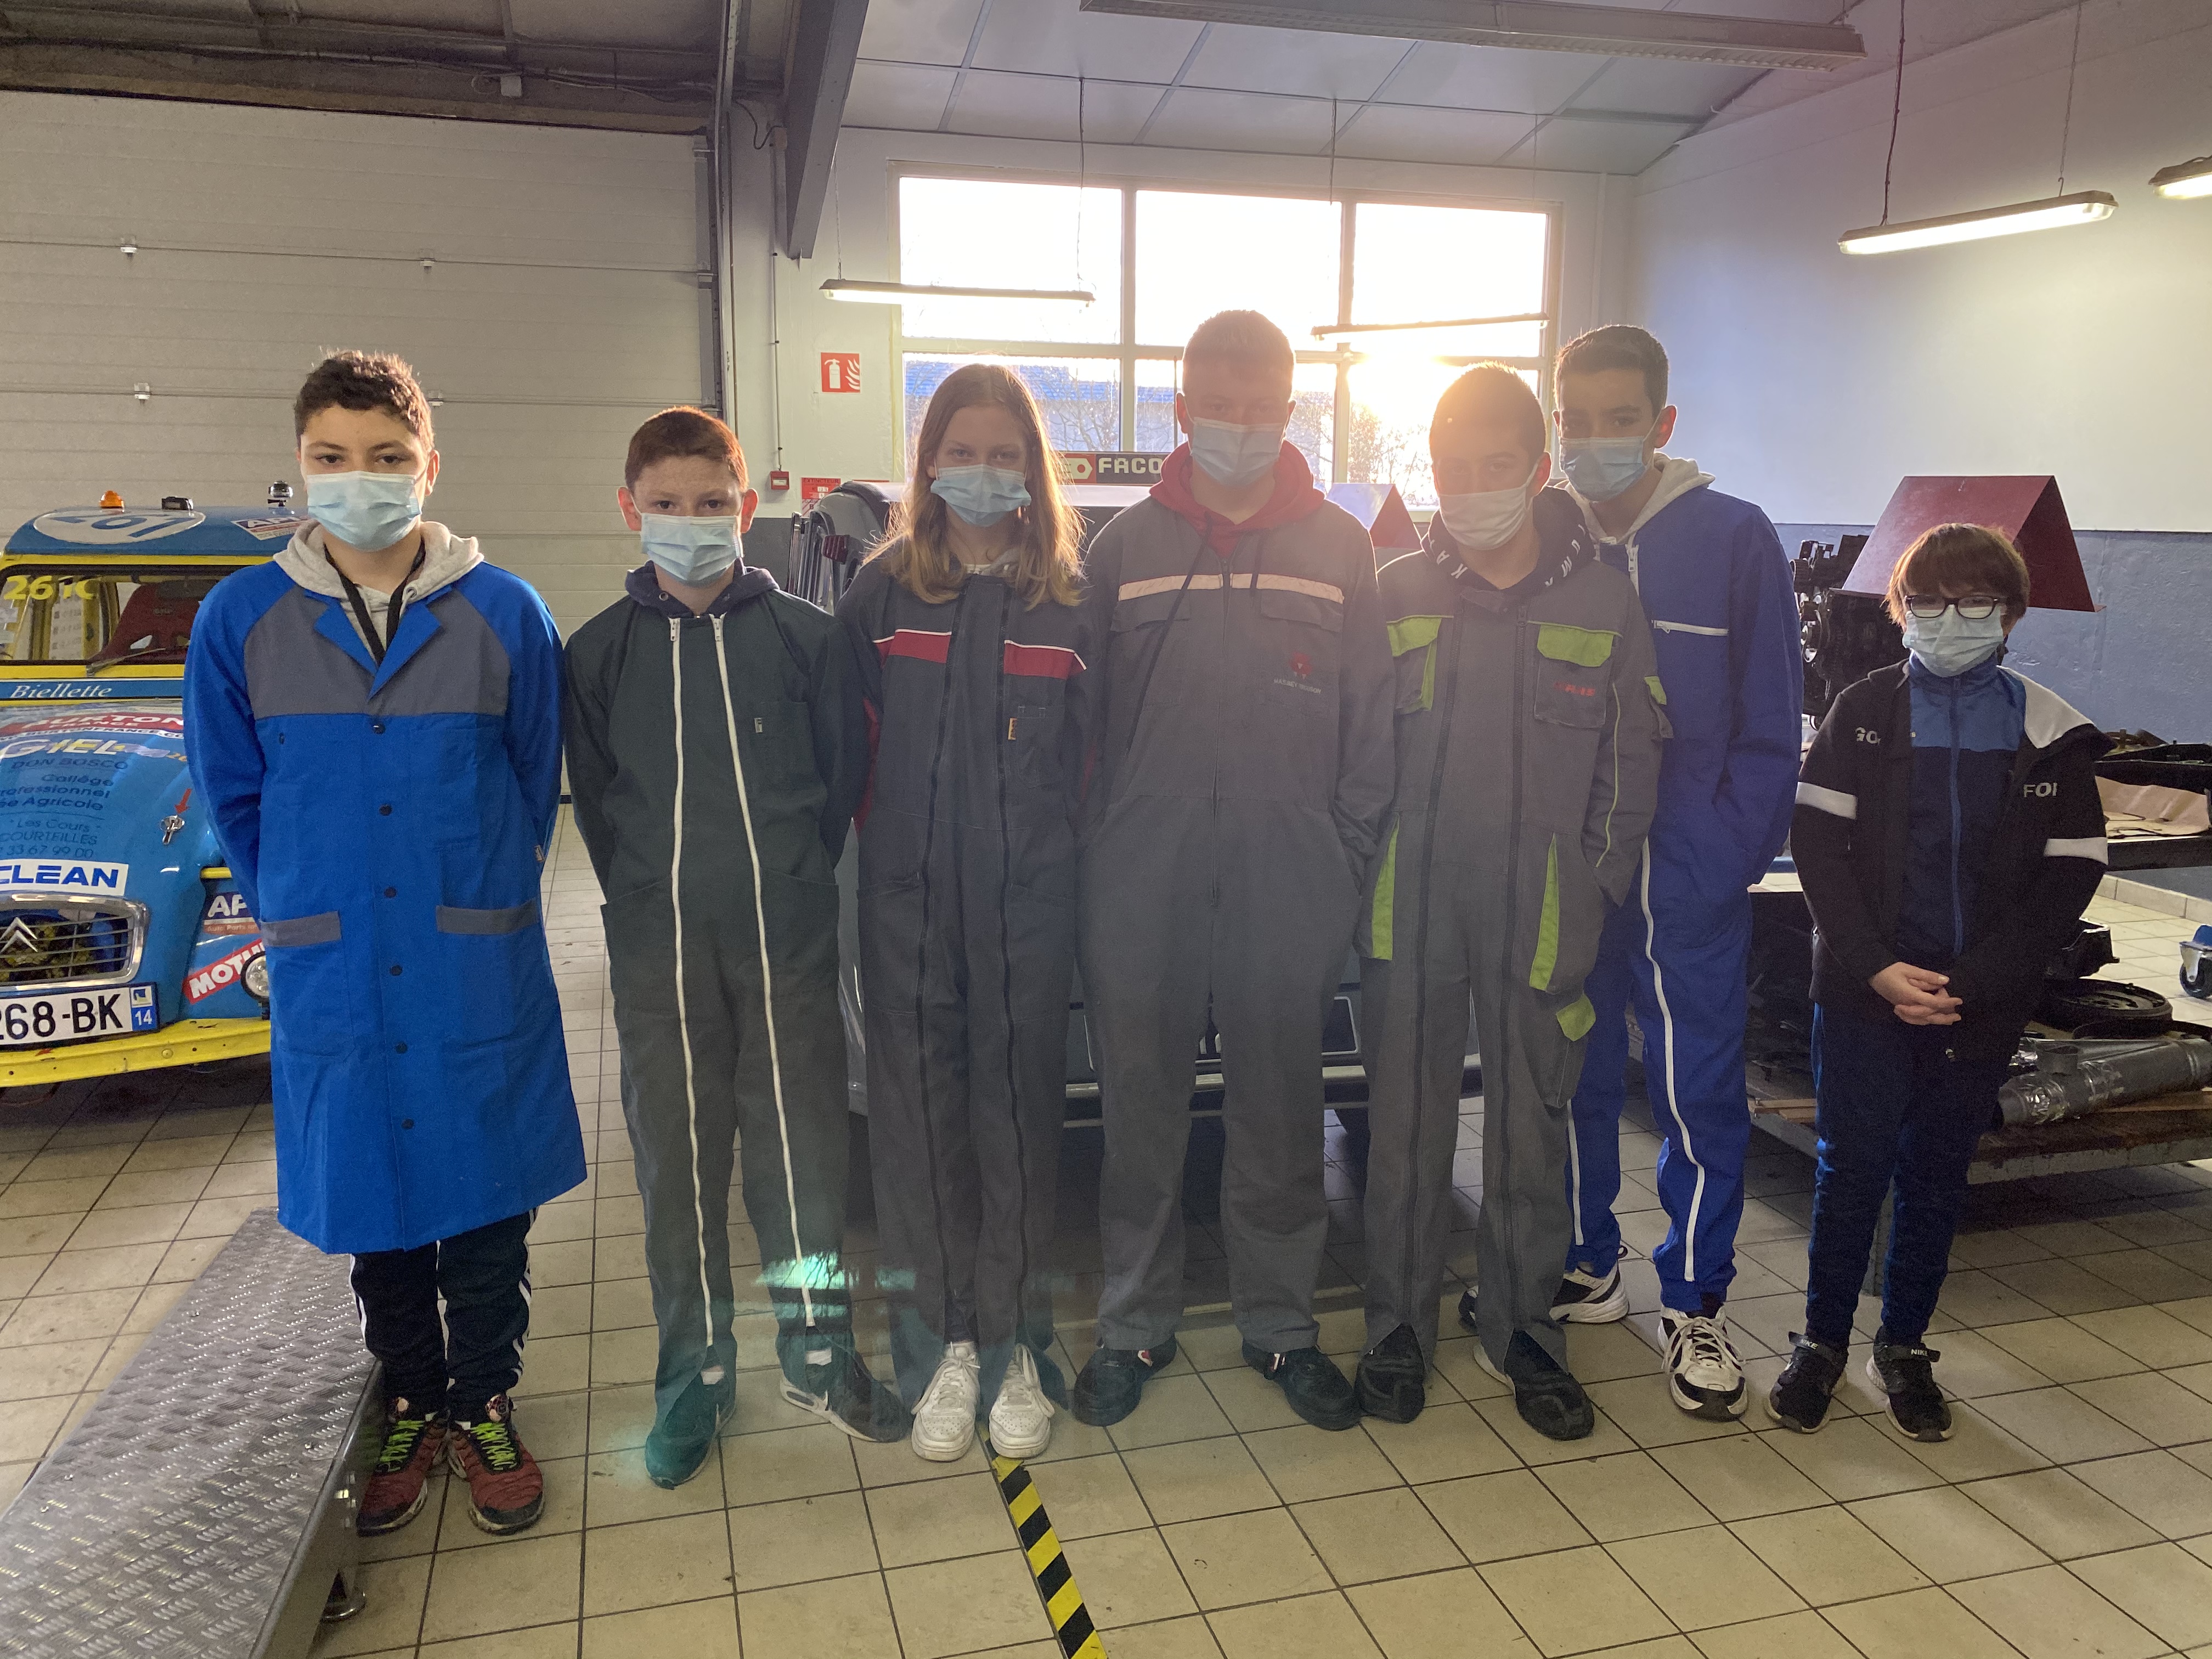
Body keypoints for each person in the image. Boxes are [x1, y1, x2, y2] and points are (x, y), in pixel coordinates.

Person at [185, 349, 583, 1537]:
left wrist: (476, 889)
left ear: (429, 466)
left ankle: (484, 1398)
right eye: (334, 457)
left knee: (488, 1197)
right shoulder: (241, 620)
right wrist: (304, 904)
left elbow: (535, 777)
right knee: (374, 1196)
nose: (360, 477)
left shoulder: (504, 613)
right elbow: (234, 794)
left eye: (387, 457)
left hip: (471, 955)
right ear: (301, 466)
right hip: (336, 959)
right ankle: (410, 1394)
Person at [563, 406, 906, 1489]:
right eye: (666, 504)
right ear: (630, 510)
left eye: (712, 503)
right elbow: (600, 807)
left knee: (803, 1160)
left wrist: (789, 880)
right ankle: (694, 1378)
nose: (691, 520)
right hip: (659, 953)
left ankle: (818, 1351)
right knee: (678, 1168)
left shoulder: (809, 639)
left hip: (787, 942)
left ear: (747, 508)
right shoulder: (598, 654)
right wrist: (651, 897)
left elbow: (840, 781)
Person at [1074, 311, 1394, 1433]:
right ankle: (1132, 1324)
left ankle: (1281, 1326)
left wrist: (1337, 854)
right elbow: (1084, 729)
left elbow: (1370, 725)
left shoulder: (1340, 548)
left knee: (1279, 1113)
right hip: (1142, 878)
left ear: (1289, 410)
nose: (1241, 427)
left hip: (1287, 878)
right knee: (1140, 1116)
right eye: (1219, 407)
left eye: (1261, 409)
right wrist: (1106, 855)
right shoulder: (1122, 550)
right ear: (1181, 411)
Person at [1355, 366, 1666, 1437]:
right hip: (1410, 902)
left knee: (1532, 1129)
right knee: (1403, 1127)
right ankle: (1397, 1326)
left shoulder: (1603, 599)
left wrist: (1592, 886)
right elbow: (1357, 754)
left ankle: (1524, 1326)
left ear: (1538, 470)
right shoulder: (1395, 590)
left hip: (1543, 908)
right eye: (1454, 468)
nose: (1474, 487)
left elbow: (1629, 768)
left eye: (1497, 466)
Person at [1773, 524, 2105, 1441]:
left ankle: (1905, 1345)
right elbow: (1818, 847)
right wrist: (1877, 968)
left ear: (2012, 614)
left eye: (1974, 603)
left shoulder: (2051, 731)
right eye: (1926, 601)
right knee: (1851, 1167)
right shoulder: (1863, 711)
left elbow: (2070, 873)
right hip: (1864, 990)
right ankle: (1823, 1342)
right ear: (1899, 610)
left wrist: (1978, 980)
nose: (1949, 619)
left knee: (1935, 1172)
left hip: (1977, 1004)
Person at [837, 363, 1095, 1462]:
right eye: (963, 451)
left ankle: (1017, 1345)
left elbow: (1092, 765)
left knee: (1020, 1126)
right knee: (917, 1126)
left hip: (1027, 908)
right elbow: (848, 756)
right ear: (929, 463)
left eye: (1004, 453)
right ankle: (940, 1346)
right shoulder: (881, 598)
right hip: (909, 909)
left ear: (1031, 470)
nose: (983, 471)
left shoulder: (1069, 605)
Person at [1550, 325, 1803, 1420]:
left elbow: (1772, 717)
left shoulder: (1734, 538)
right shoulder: (1549, 535)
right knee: (1573, 1068)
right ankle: (1586, 1257)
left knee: (1696, 1088)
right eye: (1577, 420)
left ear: (1661, 423)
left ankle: (1695, 1300)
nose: (1596, 440)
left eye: (1621, 420)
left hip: (1689, 865)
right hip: (1572, 860)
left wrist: (1728, 852)